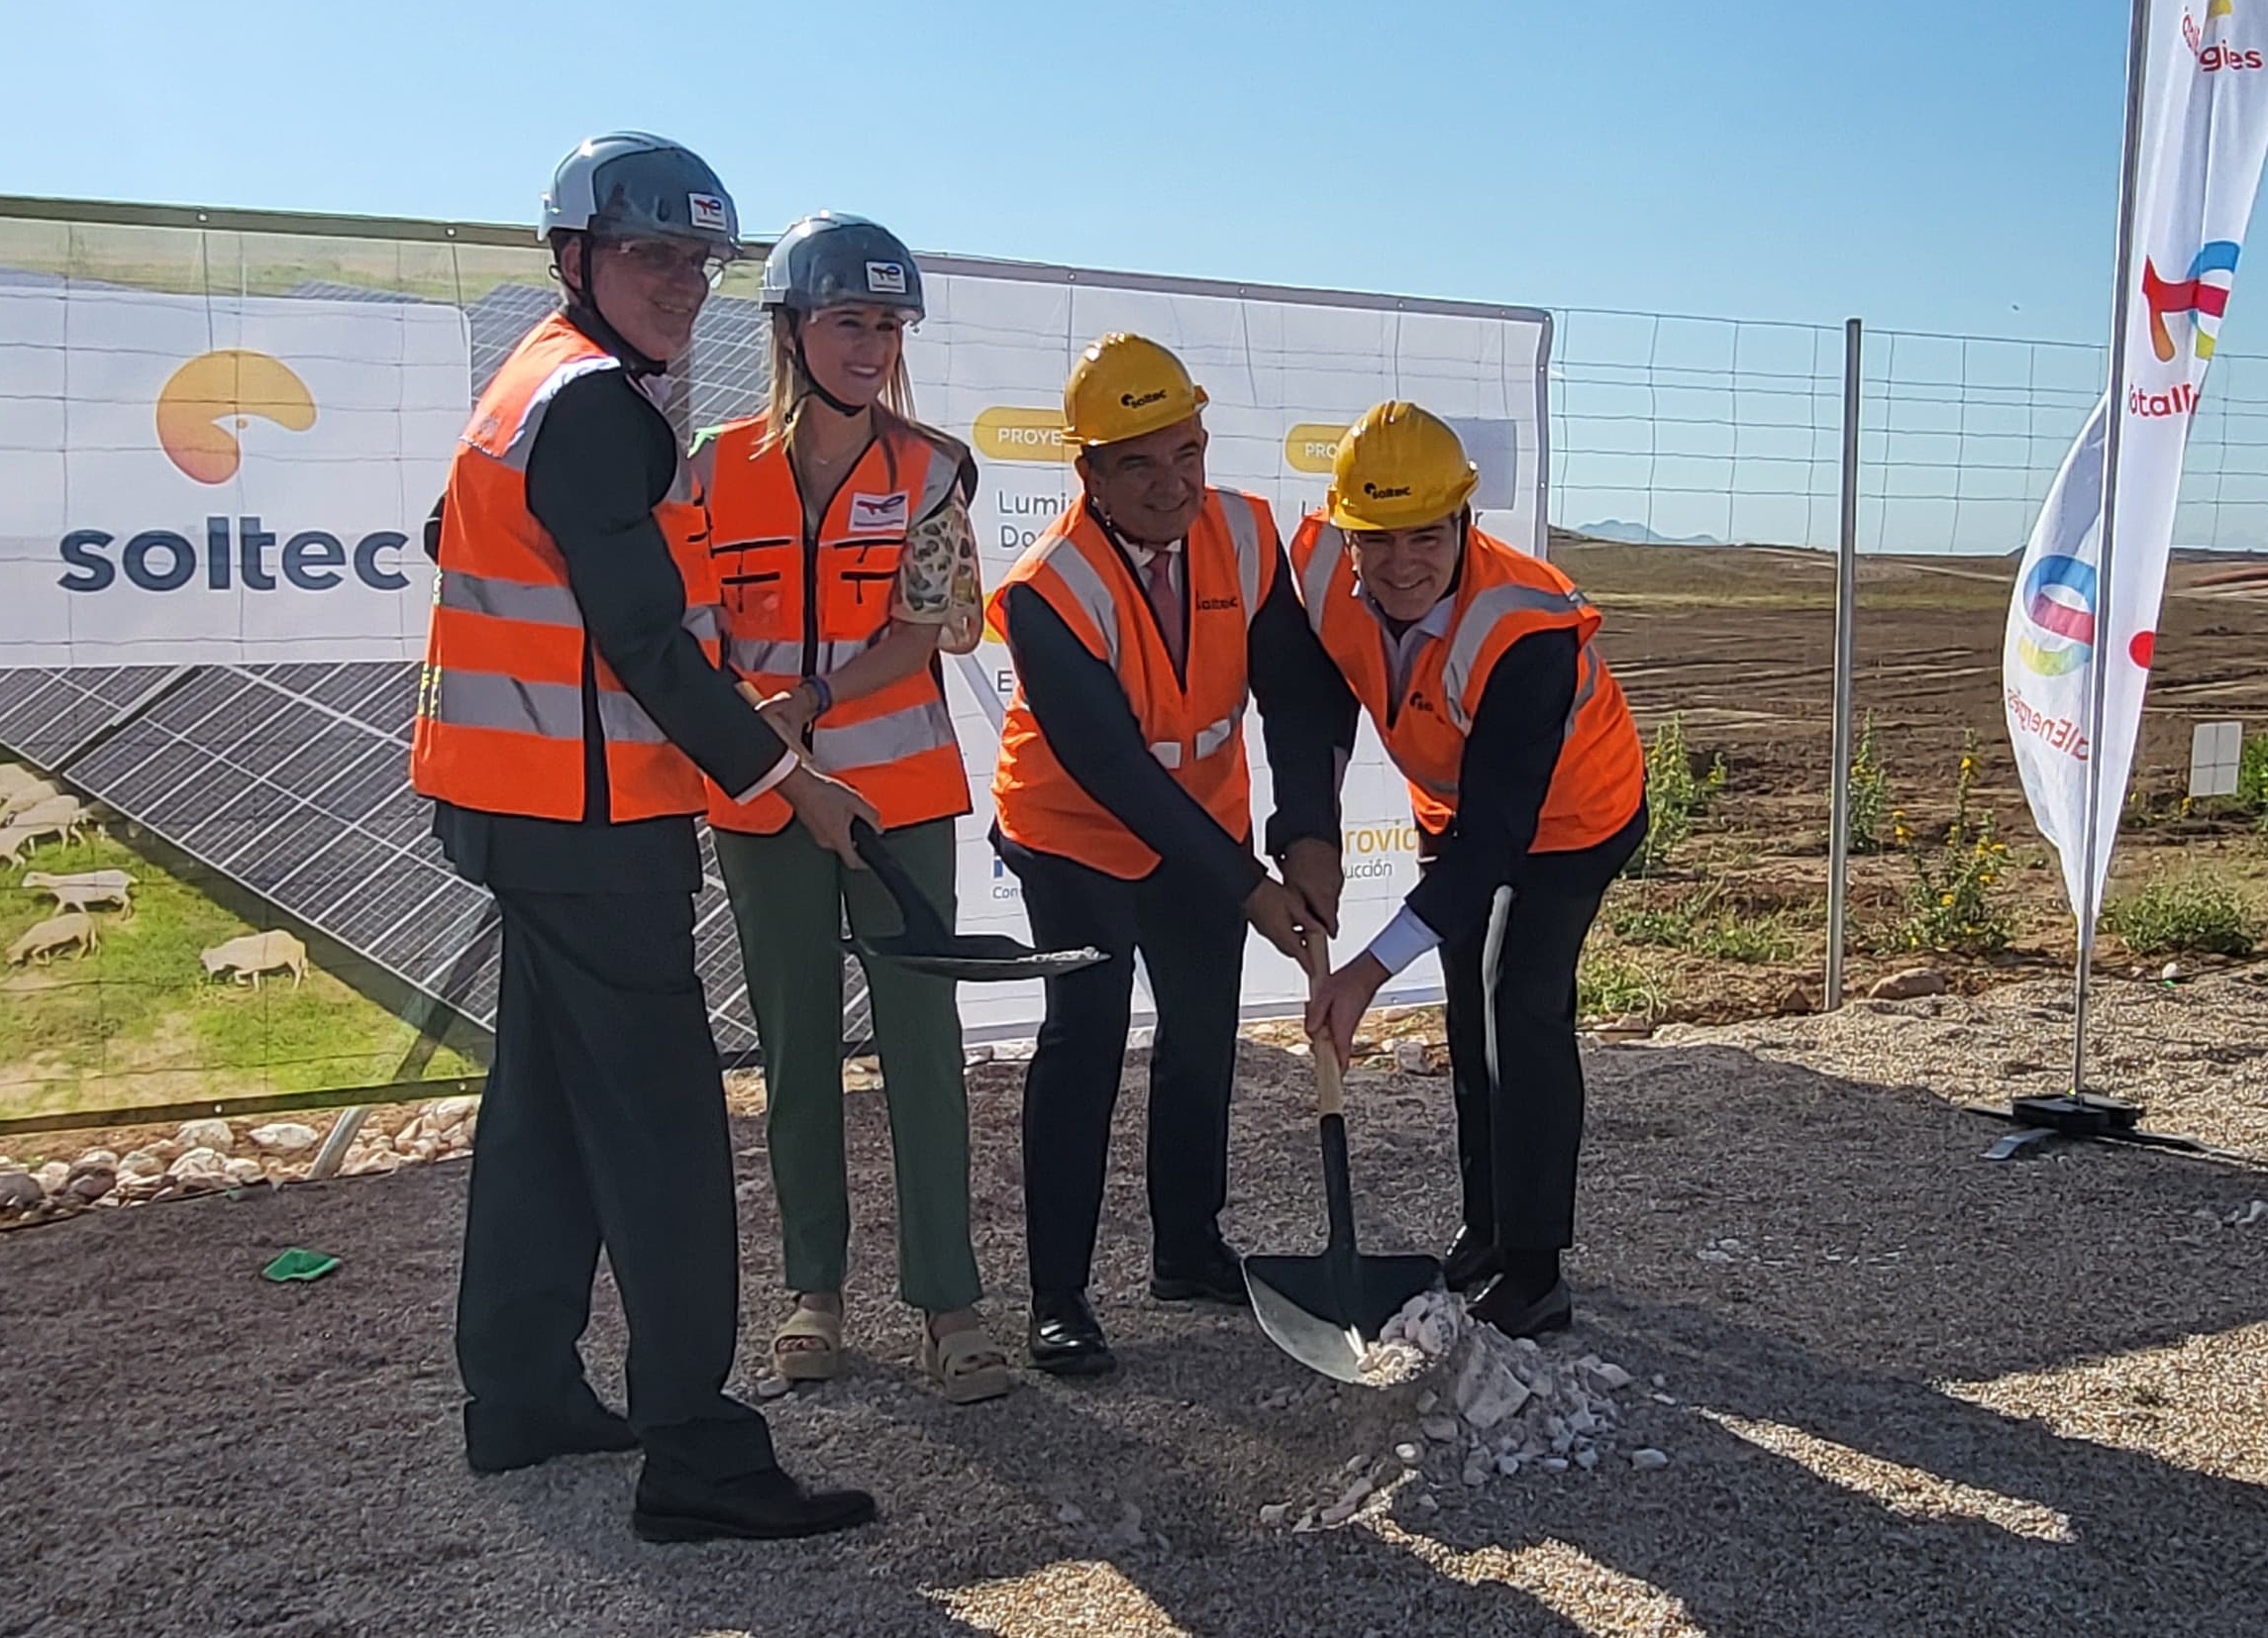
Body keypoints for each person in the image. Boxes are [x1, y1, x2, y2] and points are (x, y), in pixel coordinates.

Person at [408, 133, 878, 1543]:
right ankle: (700, 1453)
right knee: (669, 1134)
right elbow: (647, 646)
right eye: (649, 253)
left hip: (511, 805)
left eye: (697, 259)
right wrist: (791, 781)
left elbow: (455, 535)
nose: (680, 281)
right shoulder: (601, 407)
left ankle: (521, 1392)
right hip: (585, 818)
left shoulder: (534, 384)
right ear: (576, 257)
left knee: (544, 1113)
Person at [688, 213, 1006, 1404]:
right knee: (795, 1049)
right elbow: (690, 634)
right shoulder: (710, 469)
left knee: (921, 1048)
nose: (872, 346)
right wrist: (758, 728)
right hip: (761, 797)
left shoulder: (932, 468)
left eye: (888, 324)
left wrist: (809, 695)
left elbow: (929, 631)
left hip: (898, 794)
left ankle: (950, 1303)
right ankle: (811, 1292)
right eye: (849, 322)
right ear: (791, 330)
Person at [986, 332, 1331, 1376]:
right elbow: (1112, 769)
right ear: (1087, 471)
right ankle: (1058, 1295)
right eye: (1135, 462)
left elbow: (1294, 690)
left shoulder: (1247, 532)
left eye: (1184, 451)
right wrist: (1247, 889)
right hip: (1076, 832)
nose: (1169, 483)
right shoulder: (1050, 588)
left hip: (1206, 820)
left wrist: (1305, 829)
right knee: (1084, 1041)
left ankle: (1187, 1247)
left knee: (1201, 1038)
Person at [1278, 400, 1648, 1339]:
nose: (1401, 563)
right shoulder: (1321, 564)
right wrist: (1308, 835)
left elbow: (1496, 846)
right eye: (1378, 539)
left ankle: (1537, 1270)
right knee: (1466, 1012)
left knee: (1518, 1005)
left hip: (1573, 816)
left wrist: (1364, 973)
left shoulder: (1525, 630)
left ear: (1465, 524)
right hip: (1453, 810)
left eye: (1426, 536)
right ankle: (1485, 1228)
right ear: (1347, 530)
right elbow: (1314, 699)